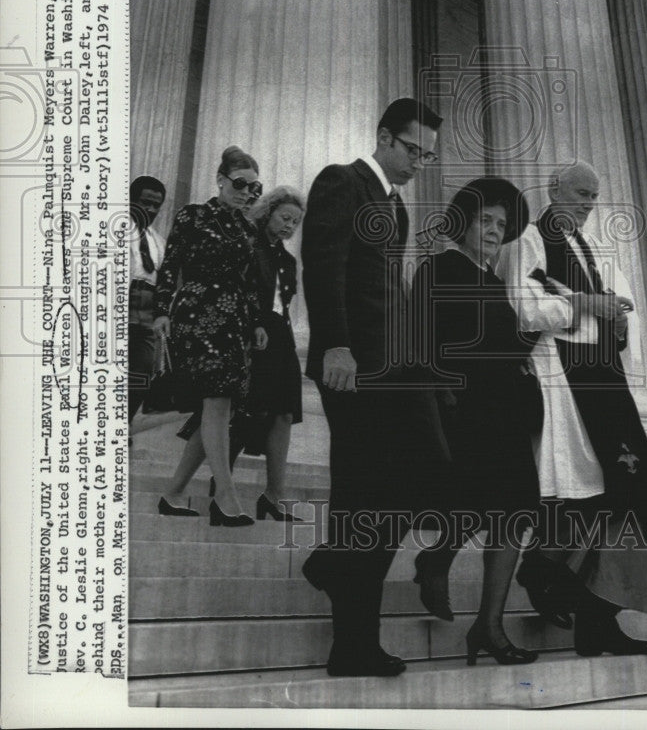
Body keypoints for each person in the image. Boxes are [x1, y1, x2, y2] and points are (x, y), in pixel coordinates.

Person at [300, 98, 451, 678]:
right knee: (361, 497)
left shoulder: (398, 208)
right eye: (413, 150)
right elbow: (323, 264)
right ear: (384, 137)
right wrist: (335, 343)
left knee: (429, 472)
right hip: (355, 368)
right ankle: (353, 643)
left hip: (398, 371)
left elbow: (394, 295)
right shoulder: (343, 182)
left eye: (428, 156)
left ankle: (335, 563)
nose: (419, 162)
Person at [495, 161, 647, 656]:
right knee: (610, 492)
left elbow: (619, 306)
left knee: (638, 489)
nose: (589, 204)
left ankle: (562, 585)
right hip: (566, 381)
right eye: (580, 193)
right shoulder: (528, 237)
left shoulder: (589, 247)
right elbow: (523, 307)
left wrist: (611, 316)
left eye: (593, 196)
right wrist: (586, 304)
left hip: (605, 379)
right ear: (553, 189)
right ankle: (570, 595)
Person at [410, 178, 540, 666]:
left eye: (501, 224)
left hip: (505, 410)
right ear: (462, 222)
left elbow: (503, 346)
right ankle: (436, 558)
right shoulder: (438, 267)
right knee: (476, 500)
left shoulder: (495, 282)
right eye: (485, 220)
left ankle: (489, 625)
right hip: (461, 407)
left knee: (516, 510)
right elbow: (419, 338)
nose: (493, 230)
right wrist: (436, 394)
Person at [152, 146, 267, 526]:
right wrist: (160, 312)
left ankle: (173, 494)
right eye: (240, 183)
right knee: (217, 400)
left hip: (233, 320)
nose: (247, 191)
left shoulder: (248, 228)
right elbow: (171, 264)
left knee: (219, 408)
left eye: (254, 187)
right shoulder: (193, 215)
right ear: (220, 180)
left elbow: (248, 283)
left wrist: (256, 323)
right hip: (197, 313)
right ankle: (227, 496)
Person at [208, 187, 306, 521]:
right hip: (253, 332)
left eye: (295, 222)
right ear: (269, 212)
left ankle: (274, 496)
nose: (290, 226)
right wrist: (250, 327)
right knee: (246, 411)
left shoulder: (289, 260)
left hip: (282, 335)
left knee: (285, 414)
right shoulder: (249, 245)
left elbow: (285, 303)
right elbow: (237, 289)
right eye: (285, 218)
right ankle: (221, 488)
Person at [128, 175, 167, 428]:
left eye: (156, 205)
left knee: (142, 372)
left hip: (148, 308)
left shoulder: (158, 240)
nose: (151, 210)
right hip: (123, 301)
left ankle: (124, 422)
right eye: (145, 203)